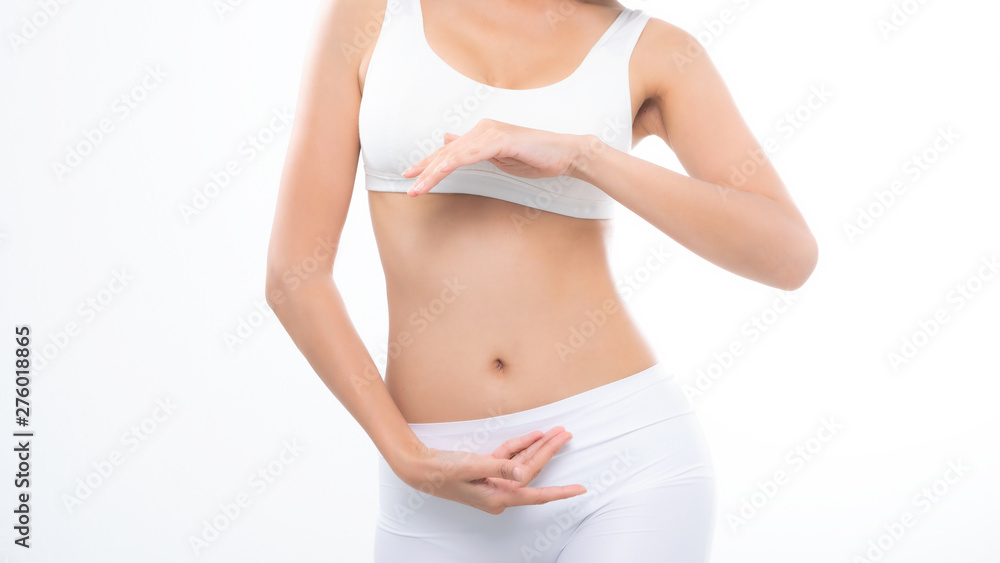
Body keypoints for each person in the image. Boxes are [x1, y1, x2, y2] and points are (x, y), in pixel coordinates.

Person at [265, 0, 817, 560]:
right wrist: (405, 455)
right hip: (433, 482)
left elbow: (787, 254)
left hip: (623, 462)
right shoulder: (371, 17)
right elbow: (294, 277)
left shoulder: (651, 49)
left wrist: (583, 155)